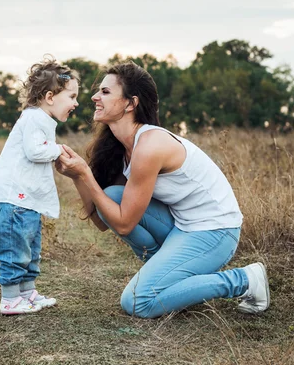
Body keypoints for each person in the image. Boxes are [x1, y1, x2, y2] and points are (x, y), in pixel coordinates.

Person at [55, 62, 269, 319]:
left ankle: (243, 279)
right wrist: (78, 177)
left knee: (136, 302)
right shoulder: (122, 149)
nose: (94, 97)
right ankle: (171, 279)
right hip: (182, 226)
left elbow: (123, 225)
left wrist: (85, 175)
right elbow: (104, 221)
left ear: (130, 104)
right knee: (112, 195)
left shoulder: (150, 145)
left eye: (106, 92)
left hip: (216, 232)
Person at [0, 56, 79, 315]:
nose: (76, 103)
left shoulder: (42, 119)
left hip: (25, 201)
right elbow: (35, 151)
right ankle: (11, 299)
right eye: (71, 96)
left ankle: (27, 293)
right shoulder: (34, 118)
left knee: (29, 247)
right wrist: (58, 149)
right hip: (14, 199)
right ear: (50, 97)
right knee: (16, 248)